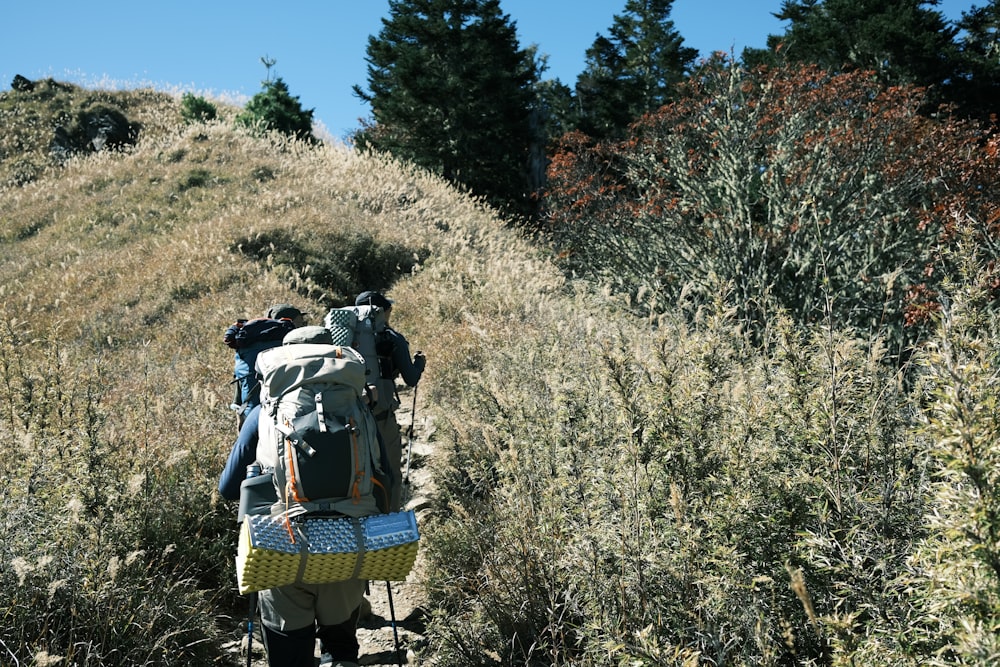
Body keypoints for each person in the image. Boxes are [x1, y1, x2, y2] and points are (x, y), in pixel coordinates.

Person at [218, 325, 371, 667]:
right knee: (341, 647)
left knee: (289, 656)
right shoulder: (358, 408)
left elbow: (228, 488)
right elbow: (384, 482)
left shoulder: (263, 412)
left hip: (283, 549)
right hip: (346, 545)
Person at [355, 290, 426, 512]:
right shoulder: (391, 338)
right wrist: (419, 363)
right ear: (384, 312)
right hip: (381, 416)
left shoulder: (342, 336)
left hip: (349, 415)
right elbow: (411, 378)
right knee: (391, 469)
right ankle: (391, 516)